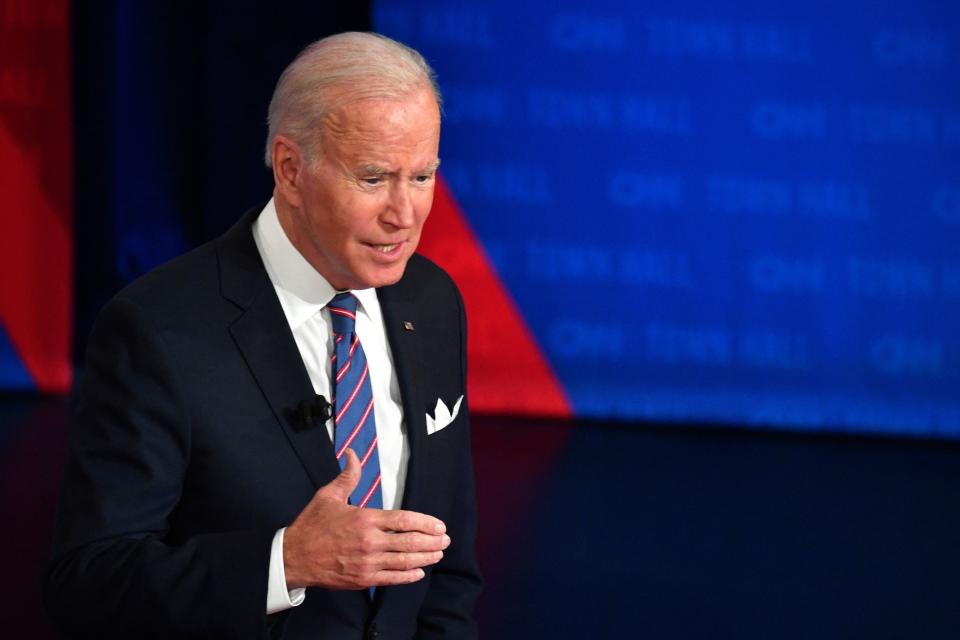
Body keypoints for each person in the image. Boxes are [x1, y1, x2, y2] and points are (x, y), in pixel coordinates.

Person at [44, 32, 481, 639]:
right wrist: (286, 562)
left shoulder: (431, 301)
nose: (403, 215)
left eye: (423, 177)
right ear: (291, 170)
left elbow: (447, 567)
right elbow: (89, 582)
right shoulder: (156, 332)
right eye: (374, 178)